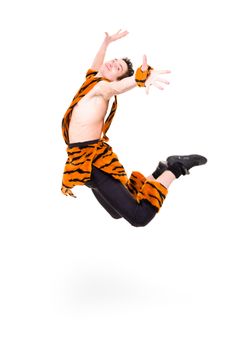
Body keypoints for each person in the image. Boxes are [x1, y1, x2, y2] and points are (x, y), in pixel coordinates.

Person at [61, 30, 207, 227]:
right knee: (116, 213)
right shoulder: (91, 81)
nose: (112, 63)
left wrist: (141, 77)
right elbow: (95, 65)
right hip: (81, 161)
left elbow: (118, 87)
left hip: (93, 163)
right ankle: (158, 173)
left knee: (139, 217)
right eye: (114, 61)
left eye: (117, 67)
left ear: (116, 78)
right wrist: (106, 43)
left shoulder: (102, 89)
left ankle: (176, 168)